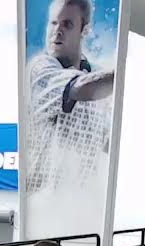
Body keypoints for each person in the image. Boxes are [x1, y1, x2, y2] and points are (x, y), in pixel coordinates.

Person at [24, 0, 116, 193]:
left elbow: (107, 142)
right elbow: (80, 89)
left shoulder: (97, 82)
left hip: (80, 205)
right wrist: (124, 74)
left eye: (67, 24)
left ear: (85, 31)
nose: (57, 31)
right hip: (41, 204)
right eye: (54, 23)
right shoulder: (40, 68)